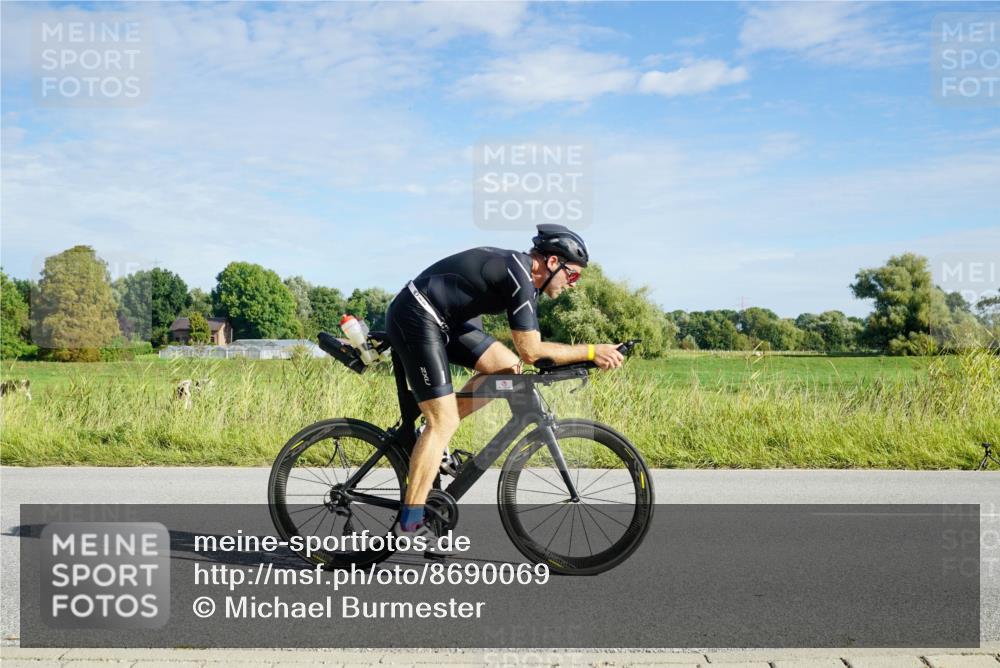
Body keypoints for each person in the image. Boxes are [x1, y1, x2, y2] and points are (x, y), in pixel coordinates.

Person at [384, 224, 624, 542]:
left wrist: (585, 357)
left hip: (447, 321)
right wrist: (593, 351)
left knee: (507, 368)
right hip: (417, 316)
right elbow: (532, 351)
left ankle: (428, 440)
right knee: (443, 422)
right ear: (553, 263)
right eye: (573, 275)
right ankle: (410, 523)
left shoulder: (524, 279)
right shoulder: (520, 275)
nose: (573, 285)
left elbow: (521, 358)